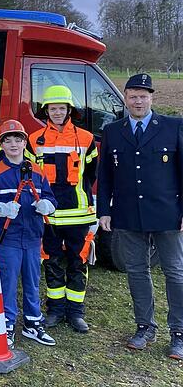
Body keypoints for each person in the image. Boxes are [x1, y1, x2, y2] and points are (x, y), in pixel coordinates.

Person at [97, 73, 183, 359]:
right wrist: (104, 211)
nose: (138, 100)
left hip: (167, 213)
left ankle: (178, 333)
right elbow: (105, 175)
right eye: (133, 95)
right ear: (125, 98)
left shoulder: (173, 126)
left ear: (151, 98)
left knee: (175, 273)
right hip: (128, 213)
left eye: (143, 95)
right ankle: (144, 327)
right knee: (137, 272)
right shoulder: (113, 130)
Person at [0, 119, 57, 349]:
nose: (13, 144)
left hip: (32, 237)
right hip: (7, 238)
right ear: (1, 145)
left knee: (33, 282)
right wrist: (0, 208)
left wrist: (48, 206)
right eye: (8, 140)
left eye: (18, 139)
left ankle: (32, 323)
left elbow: (51, 197)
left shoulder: (37, 171)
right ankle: (7, 325)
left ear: (24, 143)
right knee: (8, 283)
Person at [29, 85, 97, 333]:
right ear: (45, 110)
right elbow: (30, 176)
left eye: (61, 108)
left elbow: (91, 173)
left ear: (70, 110)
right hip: (48, 216)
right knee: (52, 261)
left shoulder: (87, 139)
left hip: (78, 214)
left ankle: (76, 313)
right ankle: (55, 310)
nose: (57, 112)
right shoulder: (33, 139)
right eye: (52, 108)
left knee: (78, 262)